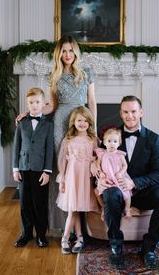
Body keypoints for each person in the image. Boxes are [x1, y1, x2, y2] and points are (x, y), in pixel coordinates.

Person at [16, 35, 97, 234]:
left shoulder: (87, 73)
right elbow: (51, 105)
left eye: (71, 50)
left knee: (79, 168)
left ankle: (82, 225)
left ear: (76, 52)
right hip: (60, 124)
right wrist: (30, 113)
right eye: (64, 51)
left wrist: (93, 129)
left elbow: (92, 101)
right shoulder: (54, 75)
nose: (68, 54)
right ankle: (59, 224)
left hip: (81, 121)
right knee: (62, 169)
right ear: (58, 53)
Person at [94, 96, 159, 270]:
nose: (130, 116)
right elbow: (99, 157)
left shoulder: (153, 138)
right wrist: (96, 170)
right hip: (117, 188)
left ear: (141, 112)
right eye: (126, 112)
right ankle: (116, 246)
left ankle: (149, 248)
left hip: (143, 189)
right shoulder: (111, 136)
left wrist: (134, 183)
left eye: (133, 111)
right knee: (110, 194)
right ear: (121, 114)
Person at [12, 87, 54, 248]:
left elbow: (50, 149)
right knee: (25, 203)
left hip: (40, 170)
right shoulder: (22, 122)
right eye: (31, 102)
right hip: (23, 168)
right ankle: (26, 233)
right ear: (27, 104)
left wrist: (47, 171)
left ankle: (41, 235)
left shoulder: (48, 124)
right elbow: (17, 146)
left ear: (43, 103)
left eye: (37, 102)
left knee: (40, 203)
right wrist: (15, 168)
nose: (34, 105)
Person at [56, 106, 98, 254]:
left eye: (86, 120)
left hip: (86, 179)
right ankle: (65, 238)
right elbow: (63, 162)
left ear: (90, 122)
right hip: (72, 179)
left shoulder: (93, 140)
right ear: (74, 121)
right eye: (79, 120)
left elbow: (97, 159)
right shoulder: (68, 140)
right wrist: (62, 180)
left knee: (77, 209)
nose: (82, 123)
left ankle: (80, 237)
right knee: (73, 210)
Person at [94, 128, 132, 220]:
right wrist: (101, 173)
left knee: (126, 192)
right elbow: (97, 164)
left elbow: (125, 165)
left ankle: (127, 209)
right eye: (109, 141)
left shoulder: (120, 154)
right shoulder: (102, 154)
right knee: (96, 191)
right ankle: (103, 208)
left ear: (119, 143)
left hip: (118, 177)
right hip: (106, 179)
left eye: (115, 141)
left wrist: (120, 173)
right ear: (104, 142)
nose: (112, 144)